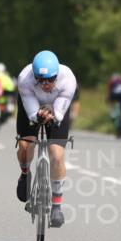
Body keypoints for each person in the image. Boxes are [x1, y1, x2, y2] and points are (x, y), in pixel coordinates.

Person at [15, 50, 76, 228]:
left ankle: (57, 205)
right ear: (34, 76)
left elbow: (59, 113)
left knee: (56, 154)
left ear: (57, 75)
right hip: (31, 104)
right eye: (41, 80)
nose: (45, 84)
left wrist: (54, 115)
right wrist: (37, 116)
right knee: (26, 145)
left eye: (50, 79)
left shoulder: (68, 79)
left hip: (58, 104)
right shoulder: (25, 79)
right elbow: (32, 113)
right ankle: (25, 173)